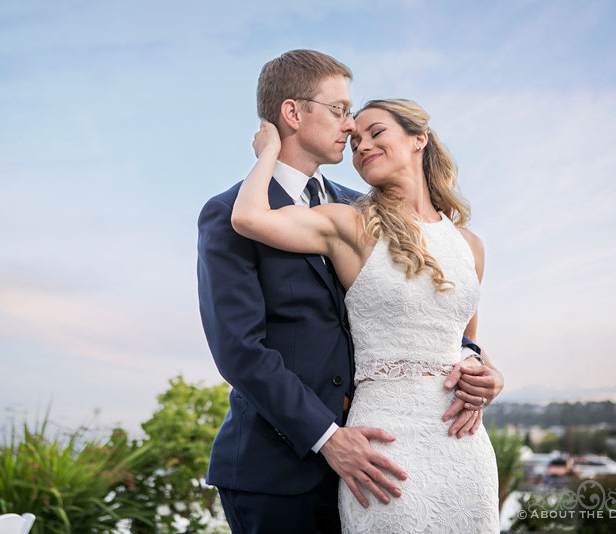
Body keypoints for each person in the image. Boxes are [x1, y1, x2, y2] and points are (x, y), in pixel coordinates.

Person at [197, 49, 503, 534]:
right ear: (293, 113)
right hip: (278, 466)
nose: (349, 128)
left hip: (381, 452)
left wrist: (476, 365)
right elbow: (240, 351)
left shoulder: (367, 210)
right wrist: (326, 438)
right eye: (340, 111)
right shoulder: (226, 212)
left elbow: (417, 305)